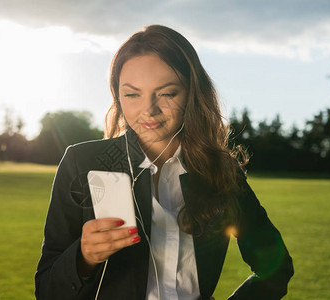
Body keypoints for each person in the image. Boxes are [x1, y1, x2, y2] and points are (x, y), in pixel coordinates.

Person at [35, 25, 294, 300]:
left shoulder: (222, 171)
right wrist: (83, 256)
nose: (149, 110)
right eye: (132, 94)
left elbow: (275, 267)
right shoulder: (81, 162)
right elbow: (47, 290)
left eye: (167, 93)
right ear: (117, 95)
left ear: (193, 93)